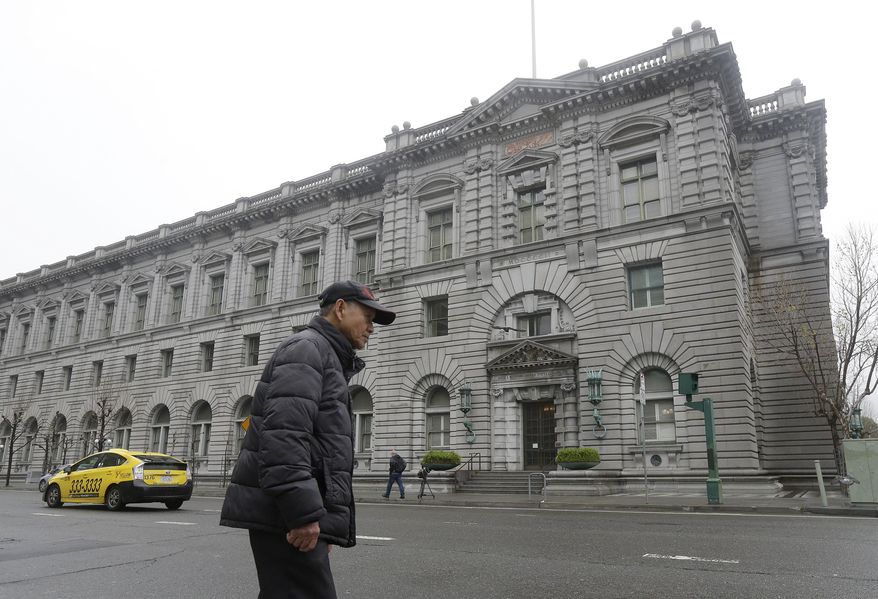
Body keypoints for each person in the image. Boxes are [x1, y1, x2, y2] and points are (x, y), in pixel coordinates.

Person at [220, 280, 395, 599]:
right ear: (341, 309)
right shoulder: (307, 349)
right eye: (368, 317)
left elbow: (315, 444)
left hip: (287, 515)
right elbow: (284, 439)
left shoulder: (324, 356)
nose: (371, 327)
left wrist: (320, 521)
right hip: (285, 517)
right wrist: (303, 515)